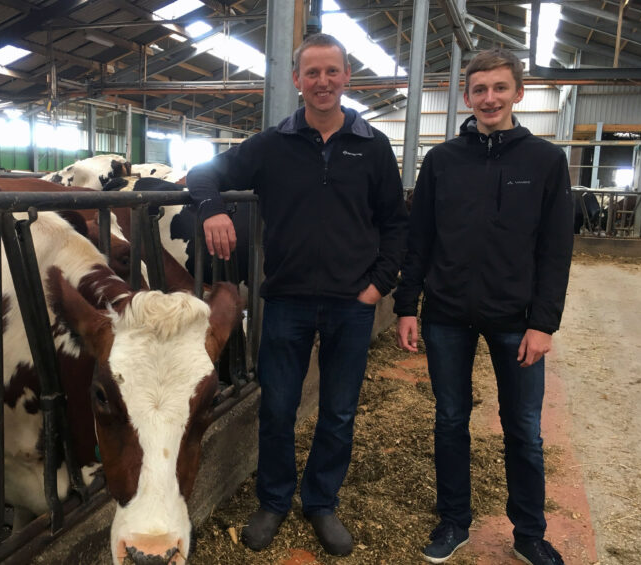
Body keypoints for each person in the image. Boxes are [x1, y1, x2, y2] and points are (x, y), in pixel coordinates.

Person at [187, 33, 407, 556]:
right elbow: (203, 172)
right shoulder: (272, 145)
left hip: (352, 305)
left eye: (332, 72)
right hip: (285, 300)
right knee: (278, 408)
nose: (323, 82)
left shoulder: (372, 147)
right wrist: (212, 207)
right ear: (296, 81)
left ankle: (321, 503)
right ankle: (274, 501)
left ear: (347, 77)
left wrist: (378, 286)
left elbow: (397, 225)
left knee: (337, 411)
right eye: (312, 73)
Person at [393, 47, 573, 565]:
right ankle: (454, 521)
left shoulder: (544, 161)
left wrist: (544, 324)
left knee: (523, 428)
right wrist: (408, 306)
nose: (489, 98)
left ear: (518, 92)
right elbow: (418, 240)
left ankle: (529, 533)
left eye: (499, 88)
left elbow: (556, 250)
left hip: (517, 321)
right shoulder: (443, 161)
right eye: (479, 89)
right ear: (466, 95)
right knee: (450, 419)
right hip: (447, 314)